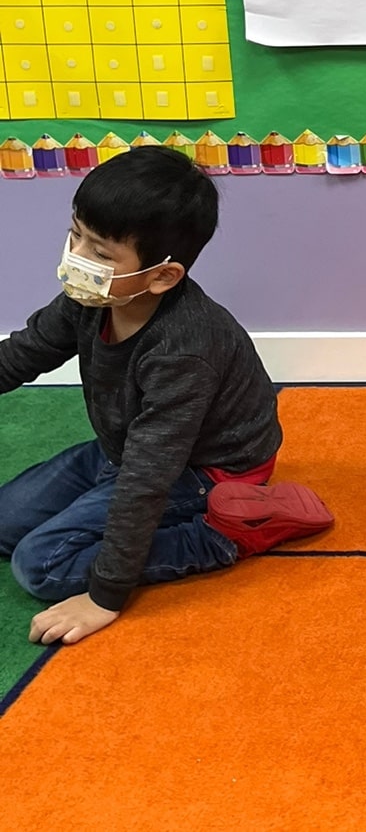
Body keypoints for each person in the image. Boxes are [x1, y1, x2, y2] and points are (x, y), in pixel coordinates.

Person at [0, 147, 333, 646]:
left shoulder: (182, 350)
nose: (76, 259)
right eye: (76, 235)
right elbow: (25, 352)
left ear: (161, 275)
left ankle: (230, 532)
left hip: (203, 468)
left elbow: (148, 477)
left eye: (100, 252)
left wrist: (104, 596)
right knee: (5, 524)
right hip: (126, 446)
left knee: (39, 565)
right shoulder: (91, 298)